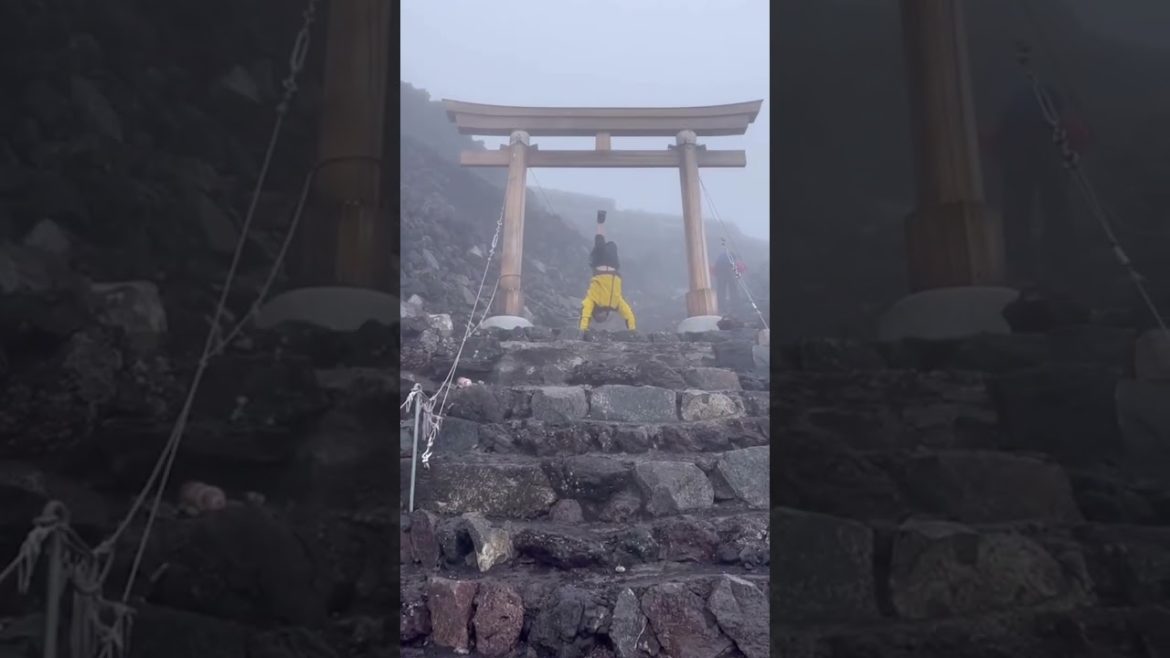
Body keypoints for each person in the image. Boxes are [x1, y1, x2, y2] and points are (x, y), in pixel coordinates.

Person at [988, 83, 1090, 284]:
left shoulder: (1017, 137)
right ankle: (1046, 270)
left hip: (1025, 165)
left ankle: (1034, 270)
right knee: (1050, 213)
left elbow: (995, 144)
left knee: (1035, 215)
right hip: (1034, 166)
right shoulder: (1054, 134)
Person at [579, 210, 636, 334]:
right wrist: (632, 331)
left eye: (599, 318)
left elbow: (585, 315)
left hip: (599, 264)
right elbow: (629, 315)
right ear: (606, 315)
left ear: (596, 313)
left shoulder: (592, 300)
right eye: (603, 319)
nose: (602, 317)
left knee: (600, 243)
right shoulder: (616, 303)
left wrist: (583, 330)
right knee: (611, 245)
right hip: (613, 265)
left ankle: (600, 222)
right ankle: (610, 224)